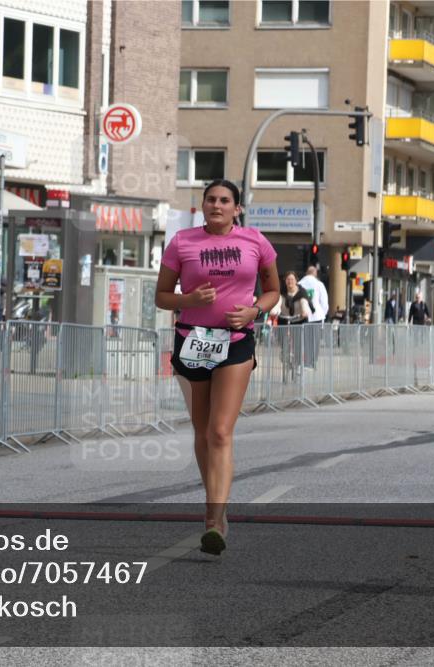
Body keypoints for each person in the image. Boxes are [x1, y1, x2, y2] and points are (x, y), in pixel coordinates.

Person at [155, 179, 280, 556]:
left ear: (236, 208)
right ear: (202, 204)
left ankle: (215, 518)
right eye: (211, 199)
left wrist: (256, 309)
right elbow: (161, 296)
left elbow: (274, 290)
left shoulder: (255, 241)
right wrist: (188, 298)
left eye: (225, 200)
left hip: (235, 342)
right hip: (192, 340)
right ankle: (213, 504)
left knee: (221, 431)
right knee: (201, 431)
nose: (217, 205)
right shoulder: (182, 242)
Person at [298, 265, 327, 368]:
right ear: (315, 273)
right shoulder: (319, 284)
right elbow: (324, 303)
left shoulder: (299, 284)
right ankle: (312, 362)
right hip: (317, 317)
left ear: (306, 273)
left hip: (303, 315)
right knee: (315, 340)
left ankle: (304, 362)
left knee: (304, 340)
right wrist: (323, 314)